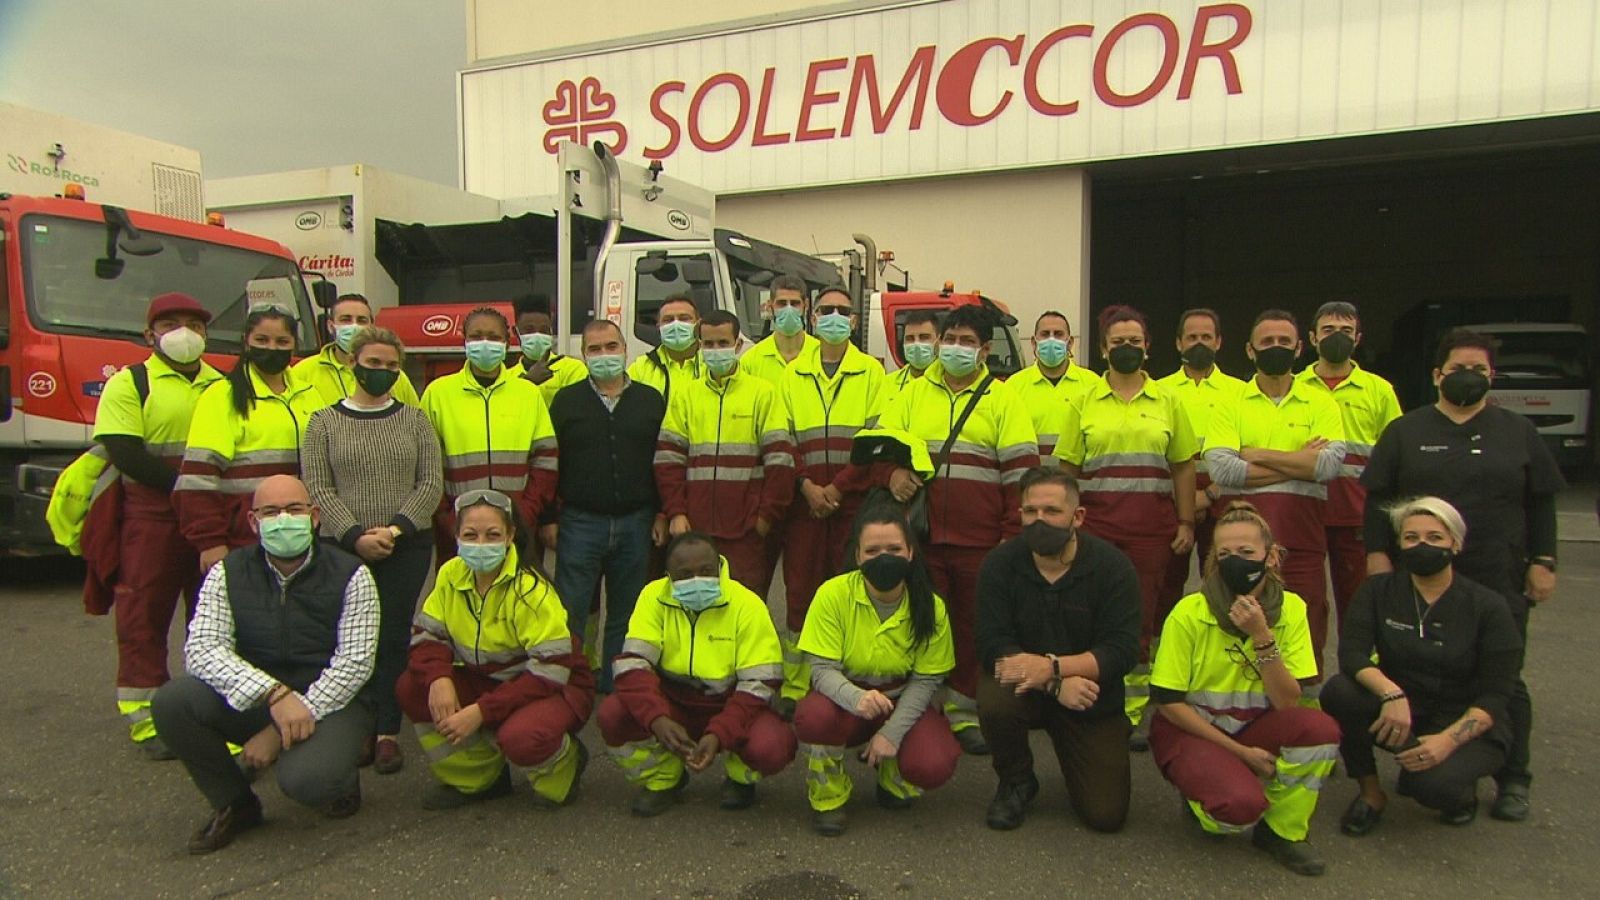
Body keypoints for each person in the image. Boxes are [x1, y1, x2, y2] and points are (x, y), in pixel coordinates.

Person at [1361, 328, 1564, 821]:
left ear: (1492, 377)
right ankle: (1443, 763)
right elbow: (1378, 500)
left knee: (1504, 678)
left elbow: (1541, 502)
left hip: (1496, 574)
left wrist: (1544, 561)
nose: (1468, 377)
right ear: (1437, 376)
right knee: (1423, 667)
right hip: (1418, 578)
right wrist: (1378, 556)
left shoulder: (1518, 432)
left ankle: (1513, 777)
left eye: (1479, 370)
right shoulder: (1407, 432)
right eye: (1458, 369)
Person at [150, 475, 378, 854]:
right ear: (253, 523)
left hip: (332, 705)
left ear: (315, 516)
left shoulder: (352, 574)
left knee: (308, 782)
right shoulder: (227, 572)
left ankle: (339, 776)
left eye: (294, 509)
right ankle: (235, 803)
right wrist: (272, 694)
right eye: (271, 512)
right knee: (173, 702)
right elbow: (203, 649)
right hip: (261, 695)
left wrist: (276, 732)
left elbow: (353, 665)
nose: (283, 519)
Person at [875, 303, 1041, 751]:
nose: (955, 349)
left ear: (985, 350)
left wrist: (1011, 539)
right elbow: (882, 449)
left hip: (981, 542)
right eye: (950, 340)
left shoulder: (1004, 400)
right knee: (922, 623)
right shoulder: (911, 393)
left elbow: (1021, 478)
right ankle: (921, 709)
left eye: (967, 343)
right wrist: (891, 474)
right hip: (921, 538)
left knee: (971, 629)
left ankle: (965, 711)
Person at [1149, 502, 1340, 877]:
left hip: (1257, 725)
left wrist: (1261, 636)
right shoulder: (1190, 612)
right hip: (1193, 730)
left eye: (1247, 552)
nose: (1236, 560)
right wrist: (1241, 755)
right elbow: (1169, 703)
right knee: (1233, 813)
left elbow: (1288, 702)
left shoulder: (1293, 609)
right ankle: (1205, 794)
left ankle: (1282, 832)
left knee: (1320, 730)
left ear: (1270, 557)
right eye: (1225, 554)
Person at [1322, 496, 1523, 832]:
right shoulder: (1378, 591)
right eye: (1411, 538)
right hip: (1403, 710)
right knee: (1340, 692)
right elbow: (1352, 655)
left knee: (1432, 787)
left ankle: (1461, 794)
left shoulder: (1488, 606)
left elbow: (1497, 695)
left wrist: (1447, 741)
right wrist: (1391, 694)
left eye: (1434, 538)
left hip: (1467, 718)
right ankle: (1371, 794)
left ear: (1455, 544)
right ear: (1399, 544)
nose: (1422, 545)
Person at [302, 326, 443, 776]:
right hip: (343, 547)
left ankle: (387, 731)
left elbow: (430, 483)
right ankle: (354, 727)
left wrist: (395, 530)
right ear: (352, 363)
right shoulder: (322, 422)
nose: (382, 372)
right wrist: (355, 536)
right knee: (349, 637)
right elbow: (318, 487)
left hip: (406, 544)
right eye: (374, 363)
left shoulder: (415, 420)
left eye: (391, 366)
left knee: (393, 636)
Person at [397, 489, 595, 809]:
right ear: (456, 536)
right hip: (489, 680)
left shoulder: (531, 589)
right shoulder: (450, 574)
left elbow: (551, 671)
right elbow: (427, 636)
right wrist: (438, 679)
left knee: (521, 737)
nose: (481, 545)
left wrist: (480, 712)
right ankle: (480, 780)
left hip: (551, 687)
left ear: (510, 536)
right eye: (470, 535)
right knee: (412, 687)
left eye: (492, 535)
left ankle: (563, 767)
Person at [89, 292, 224, 758]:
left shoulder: (222, 384)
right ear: (150, 334)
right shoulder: (130, 383)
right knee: (143, 614)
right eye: (171, 323)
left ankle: (207, 709)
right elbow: (125, 452)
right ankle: (147, 720)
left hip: (210, 516)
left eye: (194, 323)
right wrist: (188, 489)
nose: (184, 332)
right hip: (152, 515)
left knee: (212, 618)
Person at [1053, 305, 1197, 735]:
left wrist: (1186, 522)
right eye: (1118, 342)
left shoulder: (1170, 401)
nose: (1127, 348)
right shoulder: (1083, 401)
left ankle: (1130, 710)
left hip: (1151, 531)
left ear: (1148, 348)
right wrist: (1064, 525)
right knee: (1089, 612)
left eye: (1135, 342)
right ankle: (1088, 693)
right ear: (1103, 349)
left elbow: (1184, 466)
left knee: (1141, 618)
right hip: (1096, 531)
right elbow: (1067, 470)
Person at [976, 468, 1140, 832]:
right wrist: (1053, 683)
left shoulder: (1113, 569)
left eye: (1051, 511)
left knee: (1106, 816)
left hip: (1089, 694)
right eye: (1030, 512)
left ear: (1077, 517)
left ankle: (1097, 743)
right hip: (1027, 688)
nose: (1039, 521)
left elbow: (1121, 651)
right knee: (994, 697)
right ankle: (1017, 780)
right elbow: (992, 646)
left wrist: (1054, 667)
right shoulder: (999, 565)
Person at [599, 531, 795, 816]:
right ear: (668, 575)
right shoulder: (652, 597)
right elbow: (633, 665)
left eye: (706, 571)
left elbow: (761, 682)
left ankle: (740, 778)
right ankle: (664, 778)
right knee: (612, 715)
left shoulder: (748, 604)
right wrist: (657, 719)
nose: (697, 581)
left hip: (729, 702)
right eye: (685, 574)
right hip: (672, 703)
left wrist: (721, 732)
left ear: (720, 566)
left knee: (773, 745)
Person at [794, 506, 961, 836]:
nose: (883, 558)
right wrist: (857, 698)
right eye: (872, 550)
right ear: (857, 555)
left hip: (902, 699)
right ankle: (829, 794)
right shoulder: (832, 595)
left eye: (894, 549)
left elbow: (927, 680)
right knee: (812, 717)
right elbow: (822, 670)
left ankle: (893, 778)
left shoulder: (931, 606)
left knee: (934, 762)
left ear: (910, 552)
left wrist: (892, 732)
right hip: (845, 697)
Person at [1203, 310, 1345, 678]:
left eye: (1284, 342)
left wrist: (1257, 454)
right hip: (1240, 544)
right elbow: (1222, 469)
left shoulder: (1321, 402)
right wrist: (1301, 459)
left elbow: (1328, 467)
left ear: (1299, 348)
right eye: (1267, 342)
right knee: (1232, 620)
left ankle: (1304, 706)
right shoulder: (1230, 403)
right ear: (1250, 350)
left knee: (1308, 619)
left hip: (1303, 540)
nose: (1276, 348)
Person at [775, 287, 887, 712]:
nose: (834, 317)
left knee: (851, 591)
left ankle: (849, 677)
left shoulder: (872, 374)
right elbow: (782, 440)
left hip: (853, 505)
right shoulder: (791, 374)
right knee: (800, 591)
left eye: (843, 311)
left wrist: (838, 488)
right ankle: (796, 681)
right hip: (803, 506)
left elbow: (875, 440)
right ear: (812, 318)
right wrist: (806, 486)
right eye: (826, 311)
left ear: (855, 321)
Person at [547, 320, 669, 692]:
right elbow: (552, 462)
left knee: (627, 610)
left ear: (624, 349)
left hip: (637, 521)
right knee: (572, 608)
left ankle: (617, 682)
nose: (604, 355)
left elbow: (663, 461)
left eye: (611, 347)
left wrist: (663, 511)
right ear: (583, 355)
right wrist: (550, 518)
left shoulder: (650, 399)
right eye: (595, 349)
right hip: (580, 522)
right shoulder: (566, 401)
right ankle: (572, 678)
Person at [654, 310, 795, 598]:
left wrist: (766, 516)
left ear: (738, 345)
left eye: (722, 343)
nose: (715, 350)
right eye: (709, 344)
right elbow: (668, 460)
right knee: (695, 600)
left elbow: (781, 461)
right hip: (695, 526)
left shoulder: (763, 394)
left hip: (746, 529)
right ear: (699, 346)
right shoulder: (686, 396)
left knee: (745, 603)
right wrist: (676, 512)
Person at [176, 304, 324, 572]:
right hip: (242, 539)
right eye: (262, 340)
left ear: (294, 345)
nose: (272, 348)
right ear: (246, 342)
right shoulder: (222, 396)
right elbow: (198, 477)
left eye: (282, 341)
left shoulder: (310, 395)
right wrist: (210, 542)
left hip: (302, 536)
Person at [420, 307, 558, 562]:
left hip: (518, 527)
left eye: (494, 337)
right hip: (458, 530)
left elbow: (546, 459)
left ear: (507, 342)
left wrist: (525, 513)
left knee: (520, 594)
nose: (485, 343)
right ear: (464, 339)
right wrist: (446, 518)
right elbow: (426, 463)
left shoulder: (527, 393)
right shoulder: (438, 393)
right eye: (477, 336)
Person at [1294, 302, 1402, 625]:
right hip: (1304, 509)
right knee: (1305, 603)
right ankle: (1306, 675)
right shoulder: (1293, 387)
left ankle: (1358, 672)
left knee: (1358, 602)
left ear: (1358, 338)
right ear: (1312, 338)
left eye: (1345, 331)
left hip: (1356, 513)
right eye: (1328, 330)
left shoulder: (1379, 391)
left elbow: (1394, 456)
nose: (1336, 337)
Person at [1156, 308, 1246, 611]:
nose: (1199, 343)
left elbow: (1246, 454)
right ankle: (1161, 649)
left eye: (1206, 337)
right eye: (1191, 337)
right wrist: (1184, 500)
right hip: (1172, 500)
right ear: (1178, 343)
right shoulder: (1158, 391)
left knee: (1225, 580)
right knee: (1165, 582)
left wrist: (1208, 495)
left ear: (1219, 342)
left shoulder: (1241, 392)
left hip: (1226, 499)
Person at [291, 293, 421, 407]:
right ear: (331, 326)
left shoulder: (396, 376)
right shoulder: (303, 373)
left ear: (371, 326)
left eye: (361, 320)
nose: (354, 326)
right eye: (346, 320)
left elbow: (416, 420)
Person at [1004, 310, 1099, 457]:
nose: (1051, 339)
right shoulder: (1014, 386)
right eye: (1045, 334)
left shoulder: (1092, 383)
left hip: (1076, 477)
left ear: (1070, 342)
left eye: (1058, 334)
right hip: (1030, 477)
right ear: (1033, 342)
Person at [740, 274, 818, 386]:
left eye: (795, 303)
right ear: (770, 306)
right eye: (782, 303)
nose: (788, 309)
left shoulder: (820, 354)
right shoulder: (750, 361)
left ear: (806, 305)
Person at [510, 293, 588, 406]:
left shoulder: (572, 369)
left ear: (551, 331)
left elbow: (579, 407)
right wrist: (527, 382)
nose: (537, 335)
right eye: (529, 330)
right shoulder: (507, 377)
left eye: (544, 330)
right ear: (516, 333)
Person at [628, 294, 704, 406]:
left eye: (684, 318)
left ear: (698, 324)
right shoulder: (640, 368)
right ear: (658, 327)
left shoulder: (713, 364)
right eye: (668, 320)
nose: (676, 325)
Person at [882, 309, 940, 403]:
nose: (916, 344)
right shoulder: (887, 384)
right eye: (910, 338)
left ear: (939, 341)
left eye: (924, 337)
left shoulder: (951, 383)